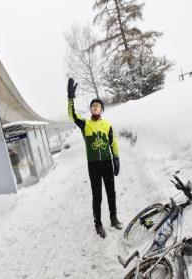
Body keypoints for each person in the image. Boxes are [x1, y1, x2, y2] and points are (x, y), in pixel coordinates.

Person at [67, 77, 123, 238]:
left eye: (97, 106)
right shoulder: (85, 124)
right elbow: (71, 115)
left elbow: (113, 142)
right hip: (93, 165)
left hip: (107, 163)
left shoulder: (107, 125)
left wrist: (116, 158)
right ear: (91, 110)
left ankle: (113, 218)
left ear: (102, 109)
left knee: (111, 192)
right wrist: (70, 97)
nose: (95, 108)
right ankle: (98, 224)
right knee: (97, 195)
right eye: (93, 106)